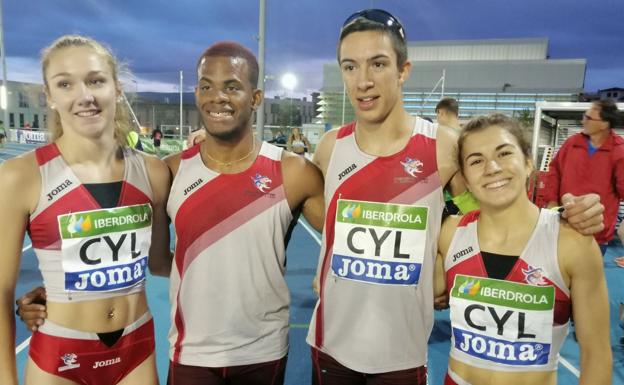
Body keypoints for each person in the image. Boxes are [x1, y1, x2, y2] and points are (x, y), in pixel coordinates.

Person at [307, 8, 605, 385]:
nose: (363, 81)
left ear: (403, 71)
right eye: (350, 67)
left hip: (404, 350)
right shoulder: (330, 147)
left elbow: (492, 203)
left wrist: (566, 216)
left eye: (377, 64)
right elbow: (311, 207)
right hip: (332, 343)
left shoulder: (443, 146)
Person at [20, 41, 325, 385]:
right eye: (207, 86)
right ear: (196, 93)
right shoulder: (171, 171)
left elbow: (341, 238)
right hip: (190, 351)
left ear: (255, 98)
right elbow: (146, 255)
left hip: (263, 351)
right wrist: (56, 294)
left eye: (232, 87)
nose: (217, 97)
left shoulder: (293, 172)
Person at [0, 35, 171, 385]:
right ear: (49, 95)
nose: (85, 96)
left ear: (116, 87)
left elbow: (159, 263)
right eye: (65, 84)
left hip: (136, 348)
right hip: (61, 354)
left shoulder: (153, 172)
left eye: (96, 80)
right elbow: (2, 288)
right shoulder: (21, 177)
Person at [434, 114, 611, 385]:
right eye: (476, 160)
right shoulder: (449, 234)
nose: (492, 167)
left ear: (529, 162)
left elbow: (596, 354)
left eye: (504, 153)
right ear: (466, 179)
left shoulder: (572, 243)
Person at [543, 100, 624, 255]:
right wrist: (552, 202)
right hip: (563, 225)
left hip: (595, 233)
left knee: (587, 277)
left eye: (588, 118)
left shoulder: (618, 151)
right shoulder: (572, 143)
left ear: (604, 124)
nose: (583, 121)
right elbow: (554, 172)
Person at [436, 97, 479, 215]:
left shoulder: (441, 136)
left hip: (449, 198)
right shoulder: (470, 135)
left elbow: (441, 170)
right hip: (472, 196)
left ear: (441, 112)